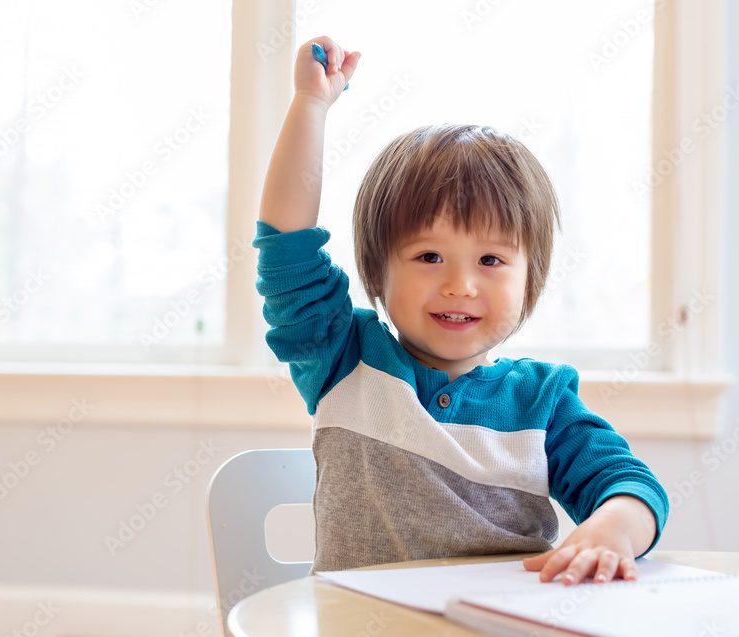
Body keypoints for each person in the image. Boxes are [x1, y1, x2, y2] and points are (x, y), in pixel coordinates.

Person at [252, 35, 669, 586]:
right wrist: (310, 105)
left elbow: (630, 485)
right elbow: (287, 247)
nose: (460, 284)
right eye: (429, 256)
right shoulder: (342, 358)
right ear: (377, 272)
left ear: (530, 279)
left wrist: (612, 528)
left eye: (491, 259)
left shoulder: (542, 402)